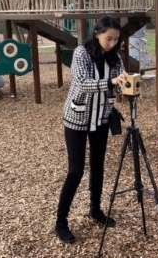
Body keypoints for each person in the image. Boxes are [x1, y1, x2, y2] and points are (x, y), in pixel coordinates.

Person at [55, 15, 128, 243]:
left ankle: (95, 209)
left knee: (98, 166)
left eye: (116, 40)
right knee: (76, 171)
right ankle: (61, 222)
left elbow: (118, 87)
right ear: (97, 33)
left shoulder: (115, 59)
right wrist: (111, 82)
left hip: (102, 118)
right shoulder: (81, 53)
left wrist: (126, 87)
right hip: (77, 118)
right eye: (108, 39)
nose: (112, 43)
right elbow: (82, 83)